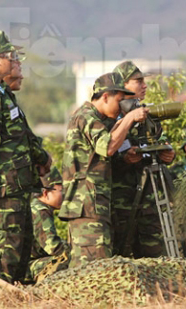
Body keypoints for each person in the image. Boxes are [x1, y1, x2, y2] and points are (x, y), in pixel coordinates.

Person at [0, 31, 51, 284]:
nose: (15, 61)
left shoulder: (1, 91)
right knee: (3, 248)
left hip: (17, 183)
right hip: (4, 185)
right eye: (10, 57)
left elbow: (18, 135)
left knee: (17, 247)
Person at [59, 72, 149, 268]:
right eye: (119, 100)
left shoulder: (97, 119)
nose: (121, 107)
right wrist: (129, 119)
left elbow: (103, 156)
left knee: (98, 265)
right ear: (105, 96)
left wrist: (126, 157)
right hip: (86, 205)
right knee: (91, 268)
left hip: (94, 204)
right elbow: (107, 147)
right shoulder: (86, 117)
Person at [111, 61, 175, 258]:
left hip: (150, 199)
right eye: (138, 81)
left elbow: (162, 142)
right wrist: (124, 159)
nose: (144, 86)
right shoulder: (108, 117)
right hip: (121, 201)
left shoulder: (147, 115)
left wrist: (168, 155)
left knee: (154, 256)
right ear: (122, 85)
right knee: (121, 257)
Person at [25, 167, 70, 284]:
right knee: (64, 259)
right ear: (45, 193)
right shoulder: (40, 211)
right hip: (28, 267)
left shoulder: (37, 207)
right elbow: (53, 247)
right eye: (60, 191)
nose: (64, 195)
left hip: (30, 262)